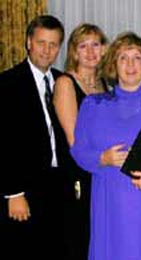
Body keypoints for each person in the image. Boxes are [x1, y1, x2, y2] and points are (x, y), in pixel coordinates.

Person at [70, 31, 141, 260]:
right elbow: (79, 150)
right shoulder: (93, 105)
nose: (130, 64)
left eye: (137, 58)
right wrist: (102, 159)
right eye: (123, 57)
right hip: (111, 199)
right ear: (114, 64)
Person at [0, 15, 68, 259]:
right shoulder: (6, 84)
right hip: (24, 189)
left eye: (53, 44)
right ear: (29, 42)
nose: (46, 50)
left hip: (59, 186)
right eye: (41, 42)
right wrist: (13, 192)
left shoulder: (63, 81)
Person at [53, 23, 108, 260]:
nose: (90, 52)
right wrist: (105, 160)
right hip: (78, 174)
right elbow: (75, 140)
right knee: (80, 240)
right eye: (83, 46)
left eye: (95, 44)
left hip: (102, 171)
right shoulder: (65, 83)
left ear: (104, 49)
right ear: (74, 52)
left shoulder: (105, 84)